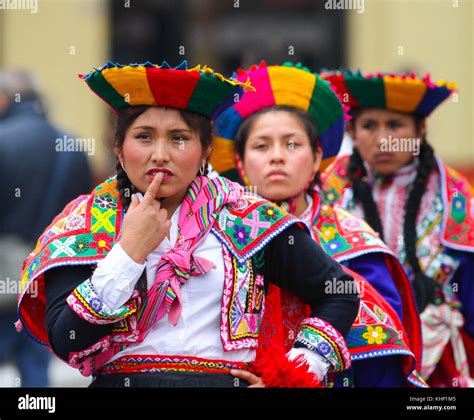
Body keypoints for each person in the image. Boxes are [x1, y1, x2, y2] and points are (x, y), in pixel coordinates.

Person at [16, 61, 360, 388]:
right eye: (144, 137)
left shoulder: (248, 218)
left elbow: (339, 293)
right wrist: (129, 252)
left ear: (205, 149)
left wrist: (295, 372)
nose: (160, 154)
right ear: (119, 148)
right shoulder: (88, 222)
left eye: (179, 138)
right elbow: (65, 339)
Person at [210, 61, 425, 387]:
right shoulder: (212, 236)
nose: (277, 157)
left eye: (292, 144)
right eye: (261, 145)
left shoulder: (355, 244)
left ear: (316, 156)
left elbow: (383, 353)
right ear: (239, 162)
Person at [322, 70, 474, 387]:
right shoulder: (325, 191)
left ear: (420, 131)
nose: (382, 139)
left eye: (395, 125)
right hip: (350, 350)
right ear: (351, 130)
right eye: (369, 126)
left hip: (440, 360)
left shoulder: (456, 198)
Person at [0, 69, 93, 386]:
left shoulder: (3, 140)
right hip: (50, 271)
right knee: (35, 360)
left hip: (4, 269)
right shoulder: (73, 144)